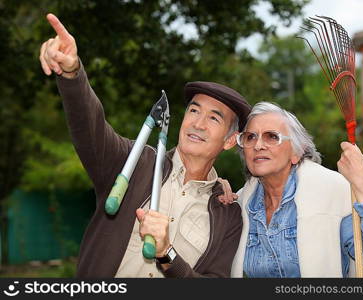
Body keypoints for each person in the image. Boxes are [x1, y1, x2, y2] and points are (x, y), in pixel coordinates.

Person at [39, 13, 251, 278]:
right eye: (194, 111)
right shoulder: (133, 161)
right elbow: (89, 127)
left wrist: (167, 253)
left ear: (230, 140)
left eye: (213, 118)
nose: (198, 123)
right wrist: (72, 73)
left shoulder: (228, 213)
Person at [222, 101, 363, 278]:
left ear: (296, 152)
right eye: (250, 137)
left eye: (272, 136)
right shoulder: (239, 204)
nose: (258, 145)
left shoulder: (333, 192)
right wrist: (214, 191)